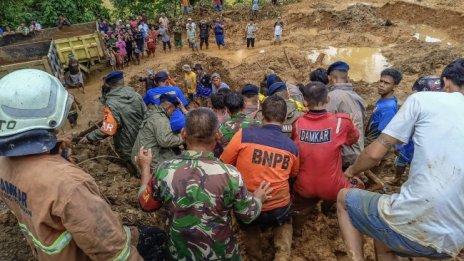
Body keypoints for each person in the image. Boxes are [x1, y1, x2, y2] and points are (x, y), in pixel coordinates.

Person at [0, 69, 158, 261]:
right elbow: (117, 254)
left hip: (50, 251)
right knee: (156, 238)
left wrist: (56, 150)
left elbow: (108, 128)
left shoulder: (4, 166)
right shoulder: (70, 185)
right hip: (83, 252)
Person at [337, 59, 464, 261]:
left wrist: (350, 172)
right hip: (452, 243)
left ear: (446, 82)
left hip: (415, 221)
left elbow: (375, 154)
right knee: (383, 231)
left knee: (344, 198)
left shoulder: (422, 100)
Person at [136, 108, 272, 260]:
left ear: (183, 134)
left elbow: (145, 204)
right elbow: (248, 216)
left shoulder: (164, 170)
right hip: (221, 255)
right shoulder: (231, 174)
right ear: (218, 135)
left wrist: (145, 167)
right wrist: (258, 198)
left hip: (179, 255)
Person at [221, 95, 299, 261]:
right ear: (285, 118)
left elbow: (224, 163)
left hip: (248, 205)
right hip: (278, 207)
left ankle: (255, 254)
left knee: (249, 226)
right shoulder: (291, 146)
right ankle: (282, 254)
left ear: (261, 116)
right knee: (285, 221)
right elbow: (293, 174)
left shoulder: (243, 135)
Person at [291, 82, 363, 235]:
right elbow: (353, 139)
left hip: (304, 187)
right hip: (333, 186)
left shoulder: (297, 124)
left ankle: (297, 229)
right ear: (328, 100)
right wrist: (353, 127)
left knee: (298, 208)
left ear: (304, 102)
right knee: (359, 184)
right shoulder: (341, 122)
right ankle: (328, 208)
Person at [80, 71, 146, 173]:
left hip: (126, 142)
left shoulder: (111, 103)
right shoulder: (136, 95)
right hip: (142, 136)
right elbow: (145, 114)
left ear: (109, 85)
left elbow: (108, 130)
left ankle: (138, 177)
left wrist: (89, 137)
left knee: (133, 163)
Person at [386, 75, 443, 186]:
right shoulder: (420, 108)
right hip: (410, 144)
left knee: (416, 166)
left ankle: (412, 182)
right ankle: (397, 178)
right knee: (401, 161)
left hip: (421, 147)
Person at [131, 94, 184, 177]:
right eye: (173, 111)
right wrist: (184, 137)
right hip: (147, 162)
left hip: (139, 157)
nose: (172, 114)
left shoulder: (153, 112)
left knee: (174, 153)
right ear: (168, 107)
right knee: (180, 166)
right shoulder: (161, 119)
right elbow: (166, 141)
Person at [326, 61, 366, 168]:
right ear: (347, 78)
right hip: (359, 151)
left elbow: (325, 127)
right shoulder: (357, 97)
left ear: (330, 79)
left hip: (345, 155)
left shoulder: (331, 97)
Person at [365, 68, 402, 146]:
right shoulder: (385, 99)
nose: (381, 85)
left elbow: (384, 135)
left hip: (372, 143)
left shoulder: (388, 108)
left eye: (386, 83)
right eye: (381, 81)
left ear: (394, 87)